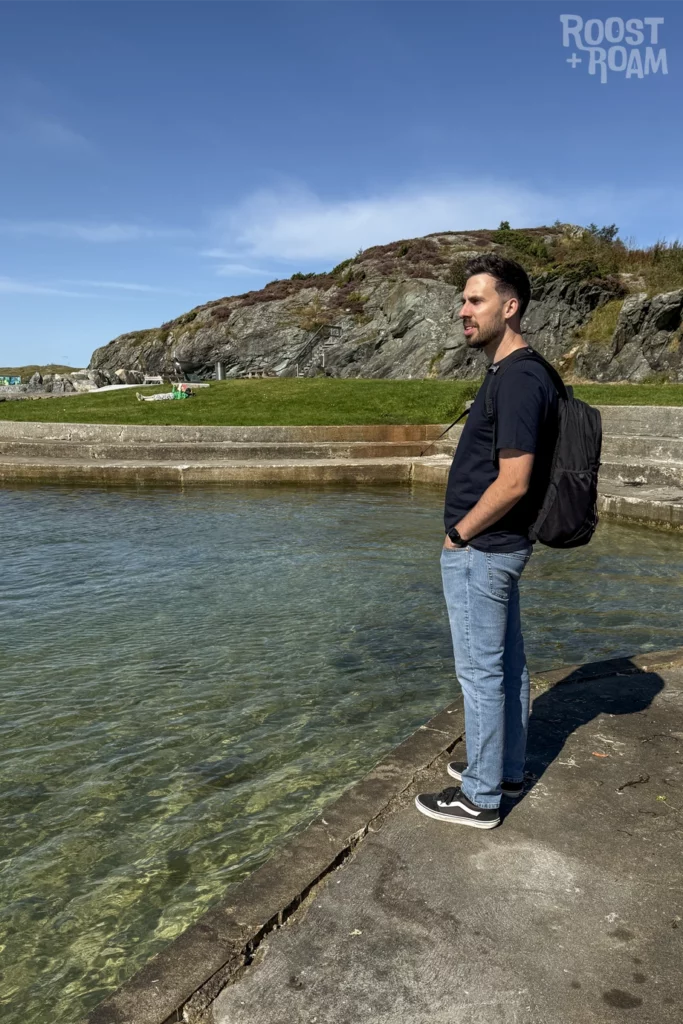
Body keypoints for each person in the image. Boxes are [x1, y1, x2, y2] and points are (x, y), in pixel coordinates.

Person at [415, 254, 558, 830]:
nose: (463, 310)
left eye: (475, 300)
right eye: (463, 300)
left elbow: (515, 480)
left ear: (510, 305)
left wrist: (458, 533)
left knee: (480, 672)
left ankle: (479, 797)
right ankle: (505, 768)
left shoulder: (521, 376)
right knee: (508, 665)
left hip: (485, 548)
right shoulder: (512, 371)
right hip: (500, 546)